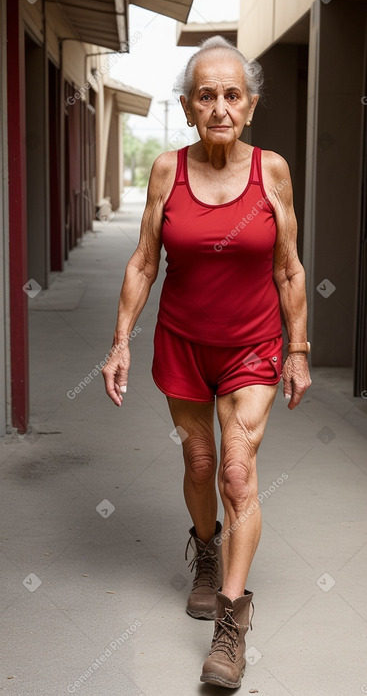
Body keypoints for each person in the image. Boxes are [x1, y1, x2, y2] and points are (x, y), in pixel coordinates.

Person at [102, 35, 312, 689]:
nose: (218, 106)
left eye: (230, 94)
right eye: (205, 95)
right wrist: (119, 340)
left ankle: (230, 623)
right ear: (189, 106)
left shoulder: (270, 171)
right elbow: (143, 261)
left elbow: (289, 269)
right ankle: (206, 547)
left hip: (253, 345)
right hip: (183, 342)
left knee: (236, 471)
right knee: (197, 461)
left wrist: (298, 351)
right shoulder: (167, 170)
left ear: (248, 105)